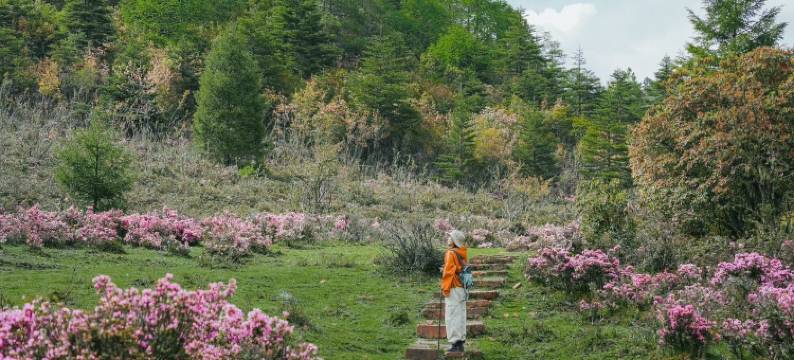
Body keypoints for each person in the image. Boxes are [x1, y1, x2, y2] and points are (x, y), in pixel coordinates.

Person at [441, 229, 467, 353]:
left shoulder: (450, 253)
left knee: (452, 315)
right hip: (462, 287)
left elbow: (449, 272)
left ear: (454, 240)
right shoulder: (462, 252)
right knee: (460, 314)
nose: (448, 239)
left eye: (450, 237)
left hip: (453, 287)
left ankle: (455, 343)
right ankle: (460, 341)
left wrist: (444, 287)